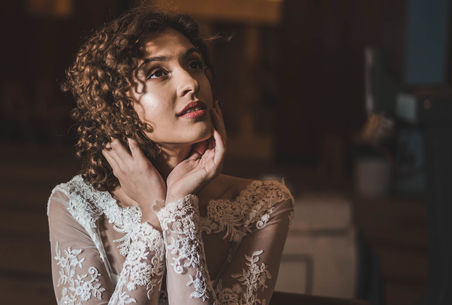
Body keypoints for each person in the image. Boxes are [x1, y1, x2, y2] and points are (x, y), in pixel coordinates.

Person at [47, 7, 294, 305]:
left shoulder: (265, 205)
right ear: (117, 104)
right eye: (157, 72)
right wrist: (153, 218)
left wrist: (177, 209)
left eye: (194, 63)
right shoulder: (75, 205)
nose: (191, 83)